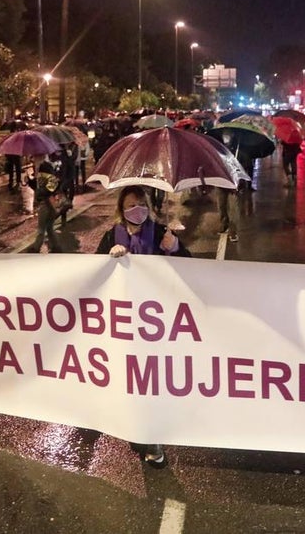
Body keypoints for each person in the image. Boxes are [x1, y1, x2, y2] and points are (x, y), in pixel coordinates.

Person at [95, 185, 191, 468]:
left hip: (155, 323)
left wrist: (175, 249)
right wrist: (107, 258)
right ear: (121, 209)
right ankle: (136, 427)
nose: (137, 209)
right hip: (123, 322)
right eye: (131, 205)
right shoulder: (111, 235)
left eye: (141, 204)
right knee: (129, 378)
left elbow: (191, 269)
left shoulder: (162, 232)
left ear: (149, 205)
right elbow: (92, 272)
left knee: (151, 380)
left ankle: (153, 439)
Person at [25, 153, 65, 253]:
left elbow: (52, 184)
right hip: (49, 202)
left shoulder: (45, 167)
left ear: (40, 156)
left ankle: (36, 248)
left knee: (41, 228)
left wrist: (42, 192)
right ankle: (56, 247)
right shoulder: (40, 167)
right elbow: (39, 186)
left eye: (34, 156)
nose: (32, 159)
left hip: (47, 202)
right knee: (49, 227)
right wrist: (29, 180)